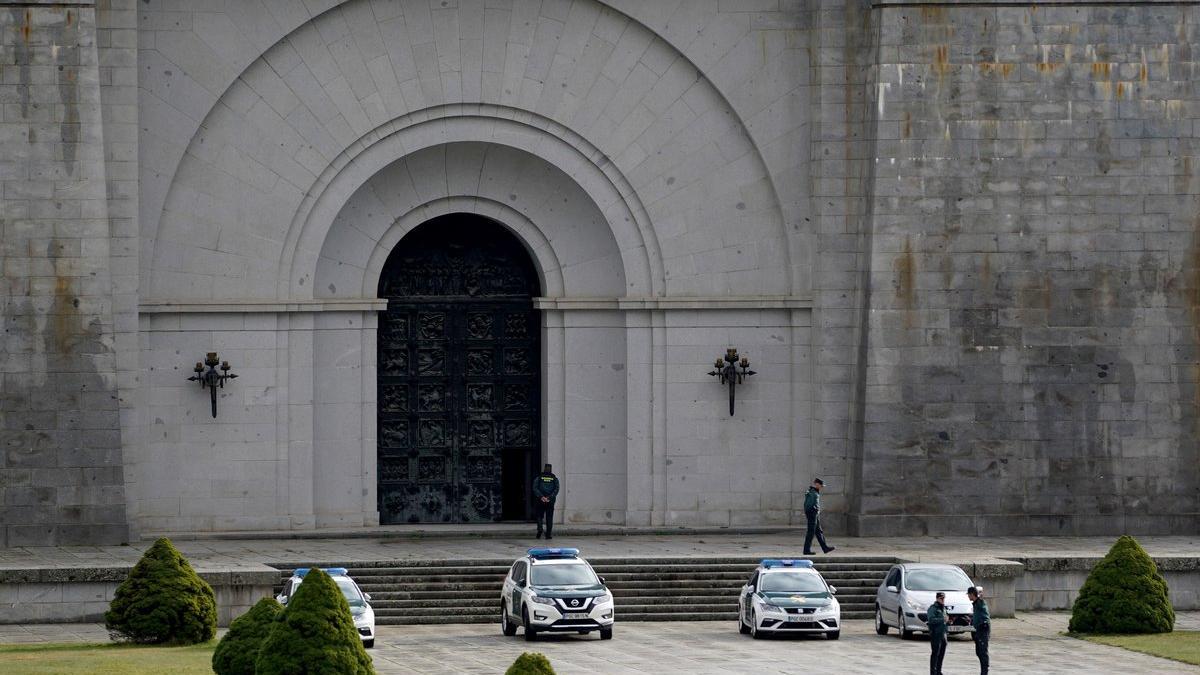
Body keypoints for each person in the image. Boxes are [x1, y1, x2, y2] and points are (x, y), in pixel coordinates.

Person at [802, 478, 835, 555]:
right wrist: (811, 512)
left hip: (815, 514)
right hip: (812, 514)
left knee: (819, 531)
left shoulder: (815, 492)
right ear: (817, 484)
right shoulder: (812, 493)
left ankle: (825, 548)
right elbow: (807, 505)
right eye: (821, 485)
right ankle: (806, 550)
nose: (822, 487)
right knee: (811, 532)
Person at [532, 463, 559, 539]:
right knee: (549, 517)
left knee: (539, 515)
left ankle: (540, 528)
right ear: (551, 469)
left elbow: (535, 488)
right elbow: (556, 489)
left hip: (540, 500)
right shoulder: (554, 478)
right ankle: (548, 534)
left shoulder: (539, 477)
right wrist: (549, 497)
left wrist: (541, 497)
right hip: (550, 501)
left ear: (544, 469)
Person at [968, 585, 990, 674]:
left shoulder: (980, 602)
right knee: (978, 652)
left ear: (972, 594)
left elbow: (981, 602)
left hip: (983, 629)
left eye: (969, 594)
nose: (968, 596)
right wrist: (972, 620)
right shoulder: (975, 604)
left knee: (982, 651)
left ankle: (984, 672)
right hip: (978, 629)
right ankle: (983, 670)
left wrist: (980, 596)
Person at [927, 591, 949, 675]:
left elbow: (945, 618)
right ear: (937, 598)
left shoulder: (943, 608)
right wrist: (942, 619)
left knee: (941, 654)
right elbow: (931, 620)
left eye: (944, 598)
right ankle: (933, 672)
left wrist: (948, 621)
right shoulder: (933, 608)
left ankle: (939, 671)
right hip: (935, 634)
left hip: (943, 633)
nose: (943, 600)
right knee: (935, 653)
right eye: (941, 598)